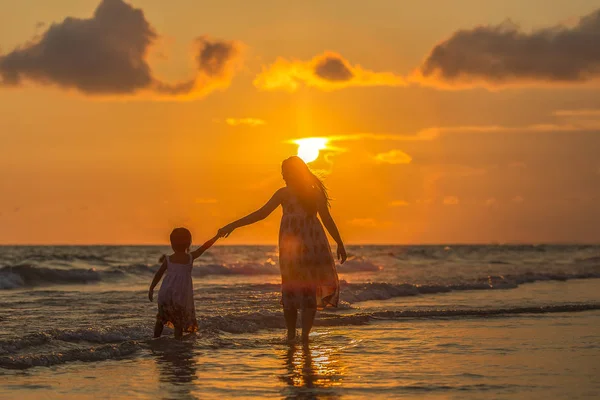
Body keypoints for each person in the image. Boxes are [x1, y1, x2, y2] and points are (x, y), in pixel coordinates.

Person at [218, 156, 346, 343]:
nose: (284, 176)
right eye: (282, 173)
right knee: (293, 289)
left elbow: (327, 219)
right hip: (294, 248)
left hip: (307, 248)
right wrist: (233, 225)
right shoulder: (284, 193)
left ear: (295, 173)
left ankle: (299, 336)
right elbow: (261, 214)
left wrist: (340, 242)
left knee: (301, 289)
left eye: (286, 172)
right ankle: (295, 336)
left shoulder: (310, 194)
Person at [148, 228, 219, 340]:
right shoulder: (190, 257)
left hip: (165, 294)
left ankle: (154, 339)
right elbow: (204, 247)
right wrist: (217, 236)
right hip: (180, 297)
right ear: (189, 243)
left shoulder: (168, 259)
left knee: (161, 319)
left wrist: (151, 288)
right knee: (178, 323)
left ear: (172, 244)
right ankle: (178, 345)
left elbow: (158, 274)